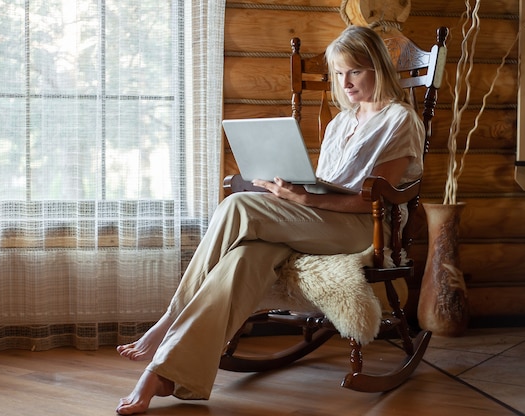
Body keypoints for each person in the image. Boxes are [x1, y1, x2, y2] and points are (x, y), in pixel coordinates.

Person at [115, 25, 425, 415]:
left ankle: (167, 320)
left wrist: (303, 198)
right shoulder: (340, 124)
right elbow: (326, 188)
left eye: (355, 71)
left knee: (237, 206)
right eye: (338, 73)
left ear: (377, 69)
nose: (345, 82)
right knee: (244, 258)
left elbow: (373, 202)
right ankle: (166, 374)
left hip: (364, 229)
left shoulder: (401, 120)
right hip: (318, 220)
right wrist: (292, 191)